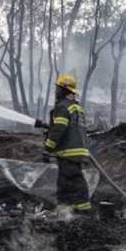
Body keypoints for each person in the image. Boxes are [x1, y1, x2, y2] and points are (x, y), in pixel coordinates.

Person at [43, 74, 92, 215]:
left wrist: (48, 148)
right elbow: (70, 127)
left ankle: (84, 212)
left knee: (75, 180)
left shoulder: (62, 107)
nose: (56, 91)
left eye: (58, 88)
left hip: (69, 151)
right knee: (63, 182)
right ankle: (64, 210)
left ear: (64, 90)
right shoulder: (76, 107)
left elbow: (59, 129)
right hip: (77, 149)